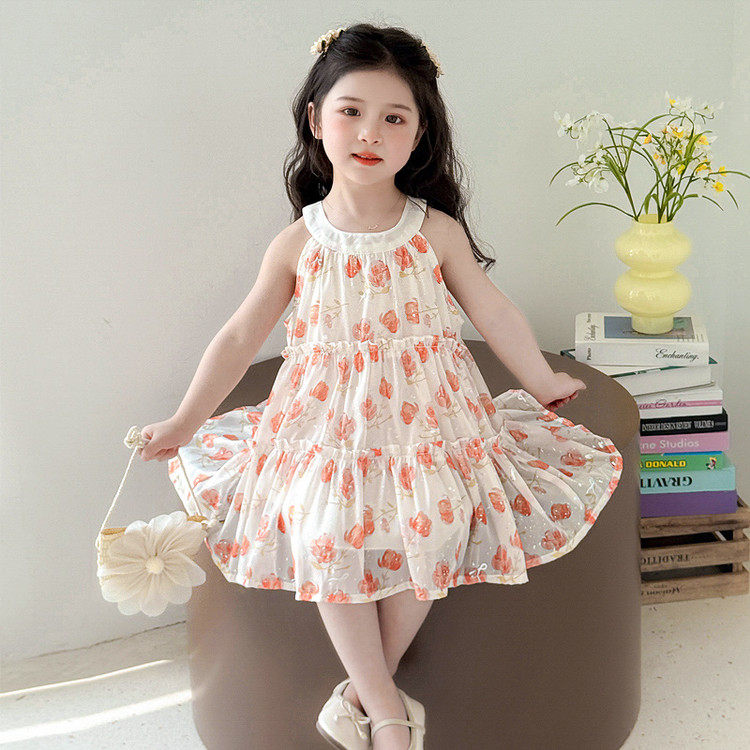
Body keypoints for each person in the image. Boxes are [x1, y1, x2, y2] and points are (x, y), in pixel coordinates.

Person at [138, 23, 623, 750]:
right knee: (325, 533)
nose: (370, 132)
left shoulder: (434, 230)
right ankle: (388, 712)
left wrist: (542, 378)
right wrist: (183, 421)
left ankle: (364, 695)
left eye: (395, 117)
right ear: (316, 119)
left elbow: (491, 309)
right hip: (324, 429)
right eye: (351, 111)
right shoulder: (299, 242)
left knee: (438, 523)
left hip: (432, 422)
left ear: (419, 134)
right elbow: (238, 337)